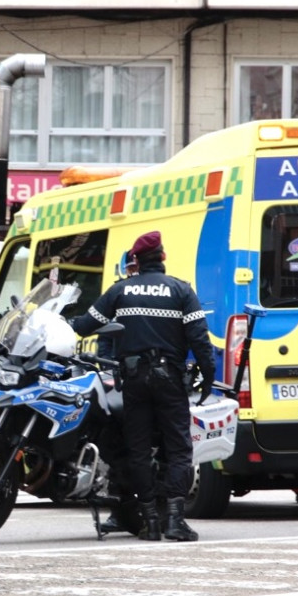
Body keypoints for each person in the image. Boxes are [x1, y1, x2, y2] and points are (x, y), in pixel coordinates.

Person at [70, 231, 215, 542]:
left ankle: (149, 521)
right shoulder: (181, 290)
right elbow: (200, 339)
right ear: (162, 258)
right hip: (169, 380)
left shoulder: (120, 291)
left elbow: (85, 325)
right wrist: (208, 376)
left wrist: (59, 325)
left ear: (135, 260)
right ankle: (175, 521)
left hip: (134, 380)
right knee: (178, 450)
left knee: (137, 450)